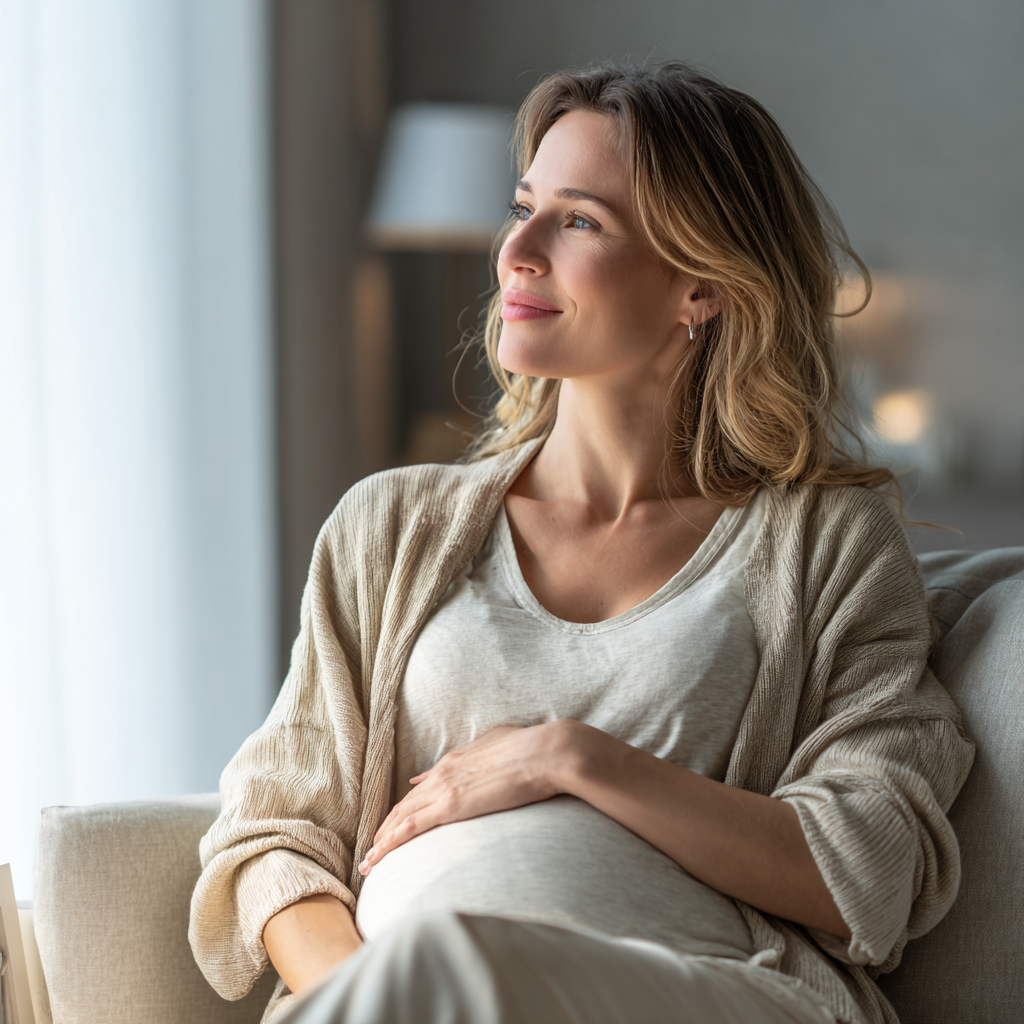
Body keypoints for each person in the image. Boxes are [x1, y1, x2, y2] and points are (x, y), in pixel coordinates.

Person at [189, 63, 974, 1024]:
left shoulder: (828, 544)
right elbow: (274, 835)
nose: (516, 250)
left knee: (456, 960)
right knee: (446, 969)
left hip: (723, 995)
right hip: (409, 1001)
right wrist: (369, 994)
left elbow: (870, 867)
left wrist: (572, 757)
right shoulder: (390, 526)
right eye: (524, 208)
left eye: (580, 221)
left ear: (702, 285)